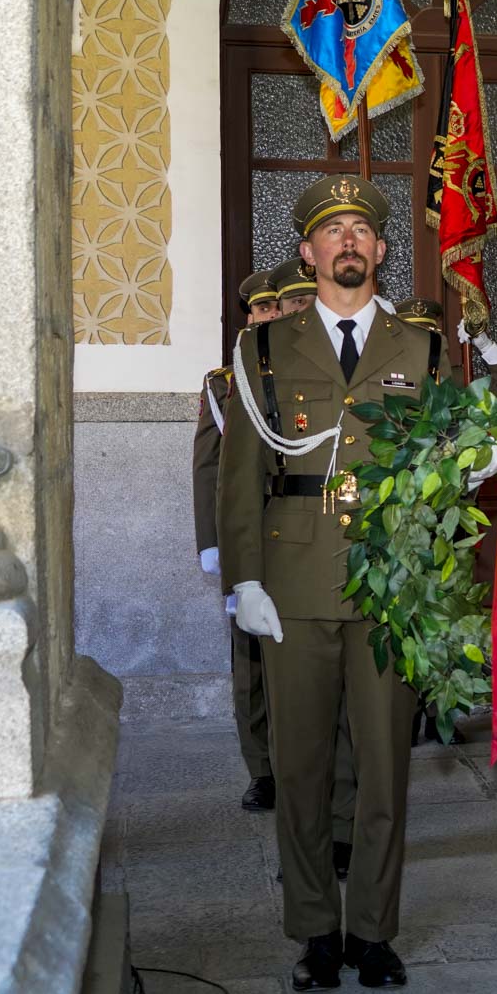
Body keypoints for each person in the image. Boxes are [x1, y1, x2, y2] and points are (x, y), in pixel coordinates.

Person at [218, 174, 461, 993]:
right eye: (333, 231)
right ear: (308, 252)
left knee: (386, 763)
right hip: (293, 576)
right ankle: (316, 930)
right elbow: (241, 473)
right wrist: (244, 578)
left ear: (382, 251)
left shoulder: (421, 345)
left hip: (389, 577)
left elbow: (442, 463)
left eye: (362, 229)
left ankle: (376, 931)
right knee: (302, 763)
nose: (348, 240)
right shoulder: (262, 349)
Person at [197, 270, 279, 811]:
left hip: (301, 533)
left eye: (281, 308)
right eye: (262, 310)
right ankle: (263, 769)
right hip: (247, 533)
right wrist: (213, 541)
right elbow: (209, 467)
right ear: (248, 317)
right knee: (251, 661)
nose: (270, 318)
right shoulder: (226, 381)